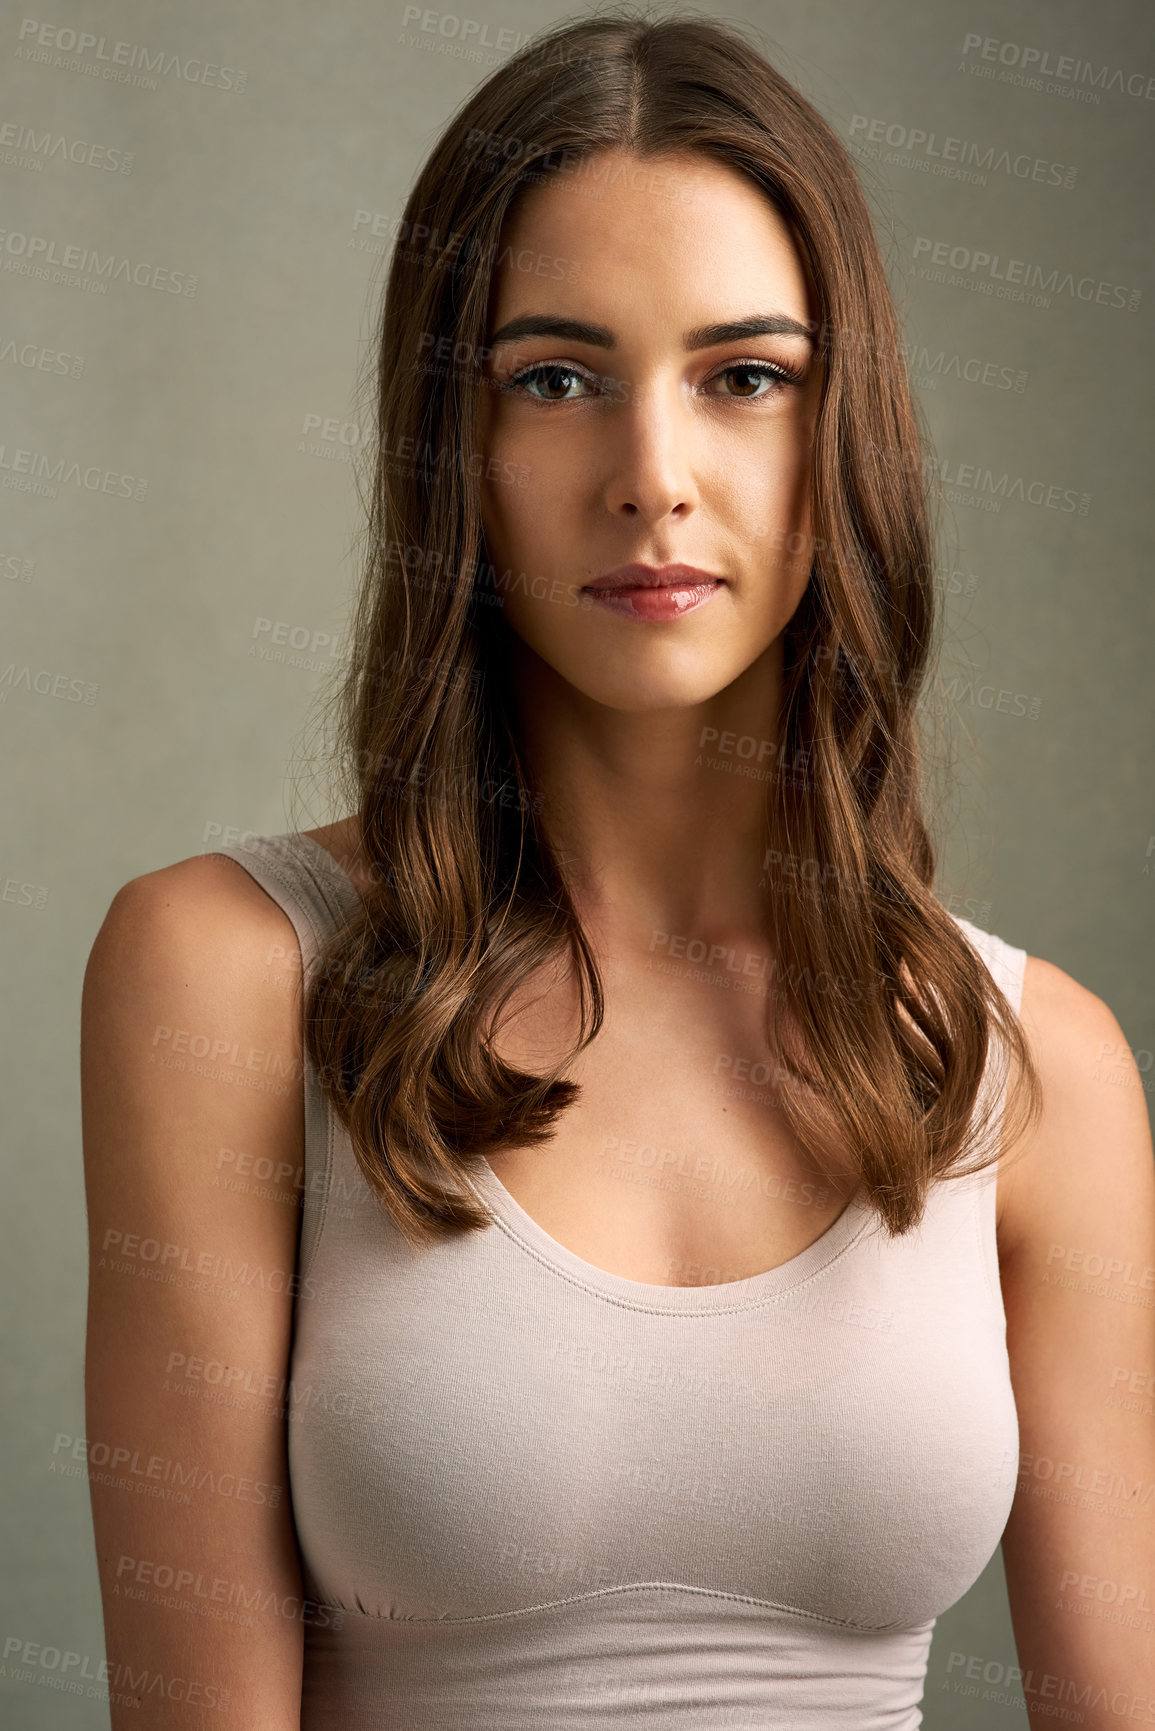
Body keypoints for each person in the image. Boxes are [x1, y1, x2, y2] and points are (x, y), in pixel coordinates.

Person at [80, 12, 1154, 1727]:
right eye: (557, 379)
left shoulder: (1043, 1070)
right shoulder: (225, 975)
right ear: (457, 447)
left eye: (745, 378)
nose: (651, 478)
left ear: (838, 433)